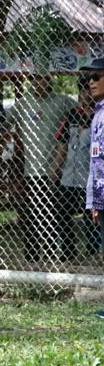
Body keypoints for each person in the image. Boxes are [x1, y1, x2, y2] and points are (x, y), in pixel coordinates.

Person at [6, 74, 75, 263]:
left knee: (58, 213)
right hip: (32, 171)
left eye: (44, 78)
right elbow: (4, 122)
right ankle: (32, 256)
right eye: (35, 79)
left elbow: (82, 114)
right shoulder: (22, 104)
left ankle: (61, 253)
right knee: (32, 214)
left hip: (57, 169)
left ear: (51, 79)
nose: (40, 83)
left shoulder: (63, 102)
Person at [51, 77, 102, 260]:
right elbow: (62, 145)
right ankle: (68, 251)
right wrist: (55, 170)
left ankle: (93, 252)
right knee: (62, 211)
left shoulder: (100, 115)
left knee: (92, 217)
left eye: (88, 90)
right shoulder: (72, 114)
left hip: (90, 177)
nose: (85, 94)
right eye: (82, 90)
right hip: (69, 177)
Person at [83, 57, 104, 248]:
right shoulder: (98, 113)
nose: (91, 82)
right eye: (89, 78)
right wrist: (95, 200)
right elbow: (97, 161)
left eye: (96, 76)